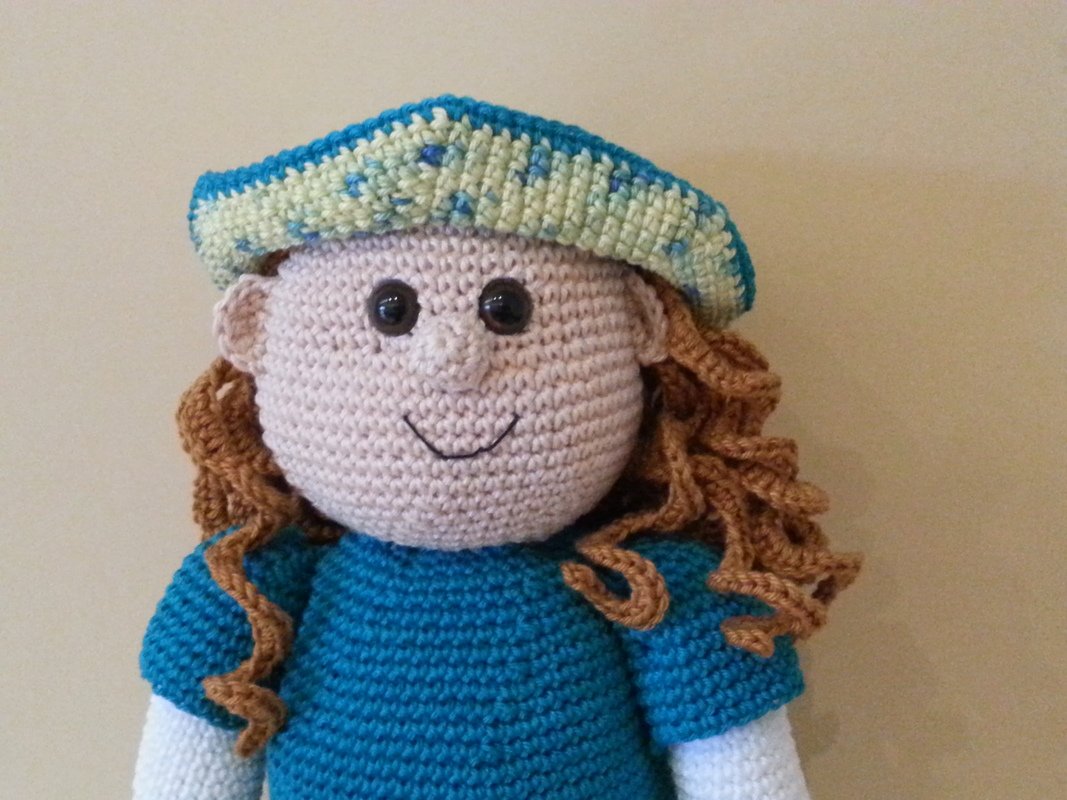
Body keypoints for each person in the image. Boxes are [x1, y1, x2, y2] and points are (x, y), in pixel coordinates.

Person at [133, 95, 859, 800]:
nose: (452, 357)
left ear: (641, 330)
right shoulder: (248, 586)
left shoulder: (652, 591)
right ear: (255, 330)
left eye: (505, 311)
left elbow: (738, 771)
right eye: (394, 312)